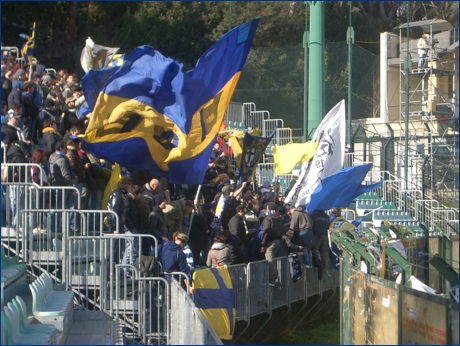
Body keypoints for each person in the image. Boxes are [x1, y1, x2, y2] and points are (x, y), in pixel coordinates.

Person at [260, 202, 284, 285]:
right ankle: (275, 276)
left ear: (268, 208)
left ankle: (271, 280)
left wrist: (263, 244)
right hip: (277, 241)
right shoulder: (280, 218)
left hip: (270, 242)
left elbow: (266, 232)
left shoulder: (268, 218)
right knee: (273, 260)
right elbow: (282, 230)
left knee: (269, 261)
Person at [311, 209, 332, 275]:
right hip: (325, 235)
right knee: (324, 252)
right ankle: (324, 267)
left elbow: (311, 224)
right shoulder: (326, 216)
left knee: (315, 250)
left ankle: (317, 264)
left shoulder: (313, 215)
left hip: (316, 235)